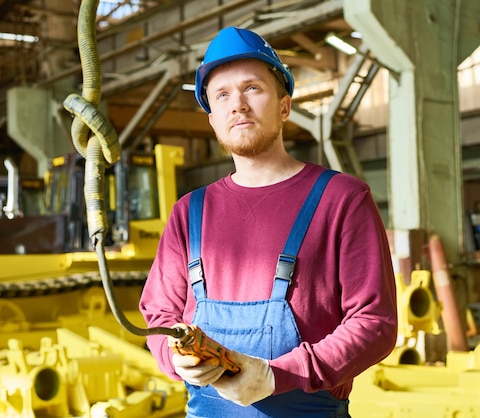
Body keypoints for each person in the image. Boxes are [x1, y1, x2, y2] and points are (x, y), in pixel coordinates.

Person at [139, 26, 397, 418]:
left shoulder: (342, 200)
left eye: (252, 88)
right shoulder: (188, 212)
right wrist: (176, 360)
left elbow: (374, 322)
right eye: (221, 95)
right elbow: (159, 315)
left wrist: (279, 376)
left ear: (284, 105)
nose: (237, 104)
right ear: (212, 119)